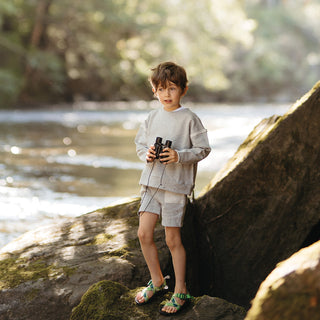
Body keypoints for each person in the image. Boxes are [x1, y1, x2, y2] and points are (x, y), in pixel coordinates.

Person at [134, 61, 211, 316]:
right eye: (161, 89)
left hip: (176, 187)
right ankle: (157, 281)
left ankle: (180, 289)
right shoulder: (152, 117)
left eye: (172, 88)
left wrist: (179, 156)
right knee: (144, 234)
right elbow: (140, 145)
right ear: (154, 91)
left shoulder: (189, 118)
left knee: (172, 239)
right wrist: (147, 154)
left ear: (183, 90)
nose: (167, 94)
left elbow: (203, 149)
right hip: (150, 183)